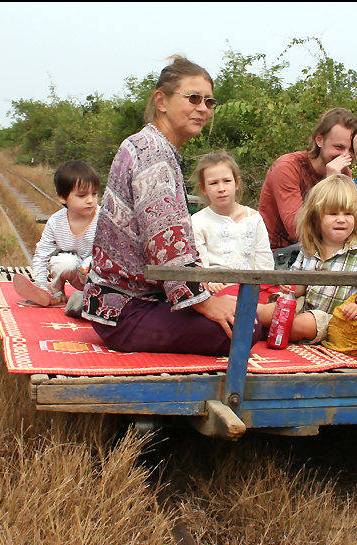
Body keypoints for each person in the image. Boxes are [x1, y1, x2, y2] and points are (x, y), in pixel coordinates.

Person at [81, 55, 258, 355]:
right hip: (127, 310)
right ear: (161, 101)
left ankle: (83, 303)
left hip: (125, 299)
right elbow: (166, 247)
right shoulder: (155, 155)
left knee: (236, 311)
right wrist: (204, 302)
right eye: (193, 98)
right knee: (245, 329)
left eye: (209, 101)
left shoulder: (145, 143)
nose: (203, 108)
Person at [256, 174, 357, 345]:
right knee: (269, 311)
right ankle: (250, 319)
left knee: (301, 323)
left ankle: (266, 331)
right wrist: (290, 287)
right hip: (304, 304)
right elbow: (300, 286)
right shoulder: (310, 249)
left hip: (334, 317)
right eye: (333, 213)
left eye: (348, 213)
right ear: (316, 218)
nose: (341, 219)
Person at [258, 107, 357, 250]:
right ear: (319, 140)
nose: (345, 156)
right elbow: (297, 230)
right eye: (338, 147)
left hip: (318, 251)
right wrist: (329, 183)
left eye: (351, 151)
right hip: (277, 255)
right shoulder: (287, 167)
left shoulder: (344, 173)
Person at [13, 160, 100, 314]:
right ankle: (56, 290)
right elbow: (42, 254)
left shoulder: (104, 218)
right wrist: (40, 283)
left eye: (94, 194)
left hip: (98, 274)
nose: (90, 200)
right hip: (74, 271)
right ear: (63, 198)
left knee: (93, 267)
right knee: (64, 262)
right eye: (82, 195)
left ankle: (86, 300)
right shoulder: (56, 221)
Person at [190, 150, 276, 302]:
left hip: (252, 285)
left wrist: (262, 284)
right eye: (213, 183)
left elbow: (265, 262)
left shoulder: (254, 218)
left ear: (237, 183)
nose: (221, 188)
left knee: (282, 301)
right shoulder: (198, 221)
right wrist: (209, 281)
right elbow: (200, 264)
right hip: (217, 287)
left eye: (226, 181)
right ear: (203, 188)